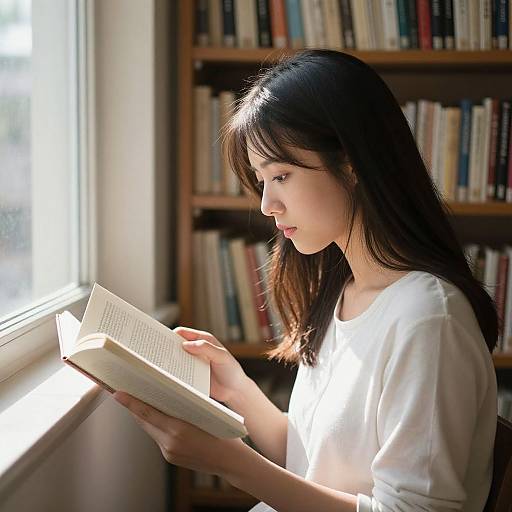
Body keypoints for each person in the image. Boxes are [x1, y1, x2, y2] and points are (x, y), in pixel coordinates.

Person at [113, 50, 498, 512]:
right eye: (261, 180)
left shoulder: (428, 318)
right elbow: (312, 463)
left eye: (281, 175)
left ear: (351, 163)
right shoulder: (347, 293)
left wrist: (232, 464)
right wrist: (234, 386)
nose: (267, 205)